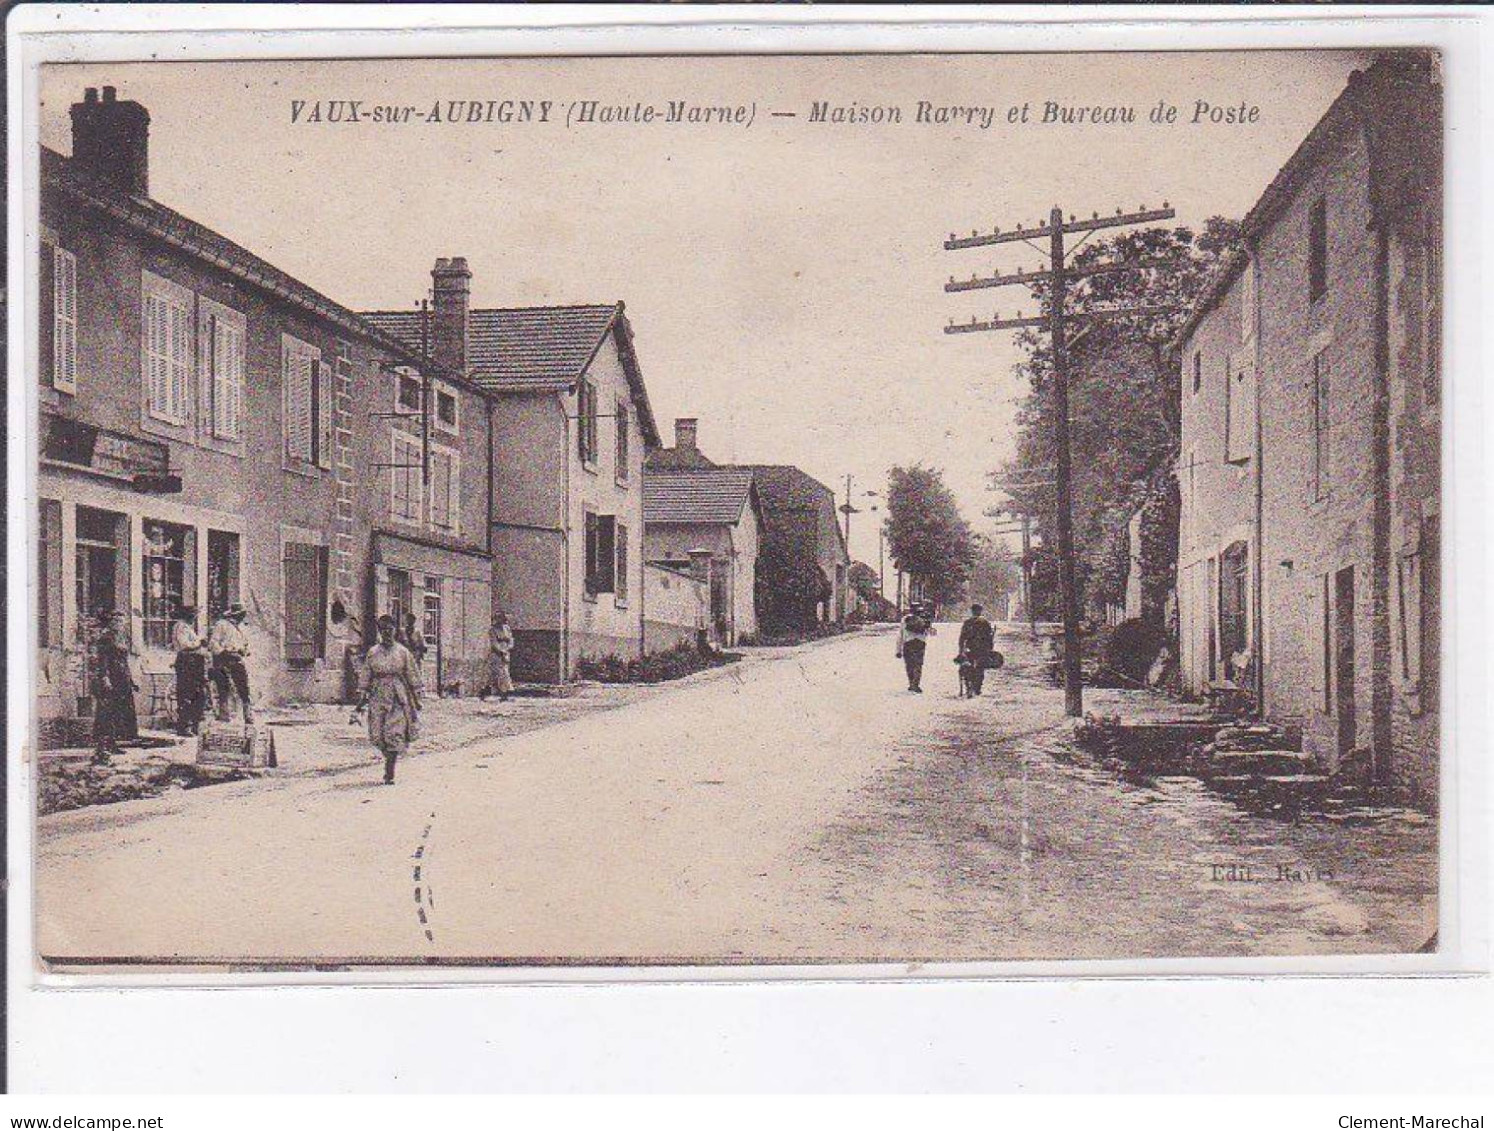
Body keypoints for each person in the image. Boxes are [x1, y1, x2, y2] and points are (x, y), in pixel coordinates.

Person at [351, 614, 423, 785]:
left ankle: (389, 771)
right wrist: (361, 699)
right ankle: (388, 757)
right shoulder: (373, 652)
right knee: (377, 734)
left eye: (390, 629)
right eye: (383, 630)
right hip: (378, 694)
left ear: (395, 630)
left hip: (398, 694)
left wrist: (417, 697)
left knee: (394, 733)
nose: (387, 633)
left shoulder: (402, 652)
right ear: (380, 632)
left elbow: (412, 675)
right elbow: (366, 676)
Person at [89, 610, 135, 762]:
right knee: (107, 711)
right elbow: (102, 660)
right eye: (116, 621)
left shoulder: (122, 637)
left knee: (119, 711)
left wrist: (131, 679)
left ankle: (113, 743)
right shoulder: (106, 638)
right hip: (111, 677)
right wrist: (105, 677)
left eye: (121, 621)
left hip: (122, 677)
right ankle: (104, 745)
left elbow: (126, 659)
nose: (119, 624)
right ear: (111, 622)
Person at [208, 602, 253, 723]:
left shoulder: (241, 628)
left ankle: (247, 714)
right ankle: (224, 714)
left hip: (236, 659)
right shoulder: (221, 625)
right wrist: (223, 652)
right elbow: (213, 643)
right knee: (223, 687)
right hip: (222, 659)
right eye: (241, 615)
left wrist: (244, 650)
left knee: (243, 687)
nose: (242, 617)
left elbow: (245, 644)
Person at [171, 605, 209, 735]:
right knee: (186, 694)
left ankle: (195, 725)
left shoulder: (189, 628)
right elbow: (184, 645)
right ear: (187, 615)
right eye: (193, 614)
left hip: (196, 662)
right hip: (186, 662)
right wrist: (199, 643)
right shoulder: (180, 626)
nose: (195, 617)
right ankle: (184, 726)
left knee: (199, 694)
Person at [958, 602, 997, 697]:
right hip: (981, 649)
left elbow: (962, 637)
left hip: (970, 648)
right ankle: (977, 688)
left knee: (968, 667)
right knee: (980, 669)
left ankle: (969, 687)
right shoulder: (985, 622)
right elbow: (989, 637)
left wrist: (961, 649)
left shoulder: (968, 622)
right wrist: (990, 649)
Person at [896, 602, 937, 693]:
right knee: (918, 664)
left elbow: (900, 635)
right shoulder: (924, 618)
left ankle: (911, 683)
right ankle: (916, 684)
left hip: (908, 643)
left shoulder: (905, 619)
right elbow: (932, 633)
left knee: (909, 664)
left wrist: (898, 650)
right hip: (920, 643)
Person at [481, 610, 515, 702]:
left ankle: (504, 694)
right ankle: (485, 692)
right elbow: (494, 643)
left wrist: (508, 649)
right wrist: (501, 651)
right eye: (500, 618)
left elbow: (511, 640)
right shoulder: (492, 630)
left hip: (506, 652)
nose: (503, 621)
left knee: (504, 673)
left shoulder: (507, 628)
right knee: (497, 674)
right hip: (496, 654)